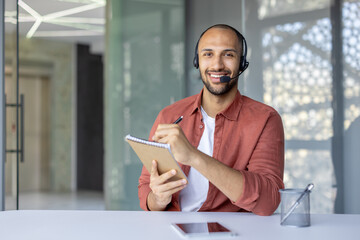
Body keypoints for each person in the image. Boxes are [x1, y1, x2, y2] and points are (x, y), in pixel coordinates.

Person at [138, 24, 284, 216]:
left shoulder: (266, 119)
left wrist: (193, 156)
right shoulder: (169, 116)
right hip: (173, 230)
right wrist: (158, 198)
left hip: (233, 232)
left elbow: (268, 201)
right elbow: (146, 188)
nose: (217, 65)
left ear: (242, 63)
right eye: (208, 54)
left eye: (228, 55)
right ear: (197, 61)